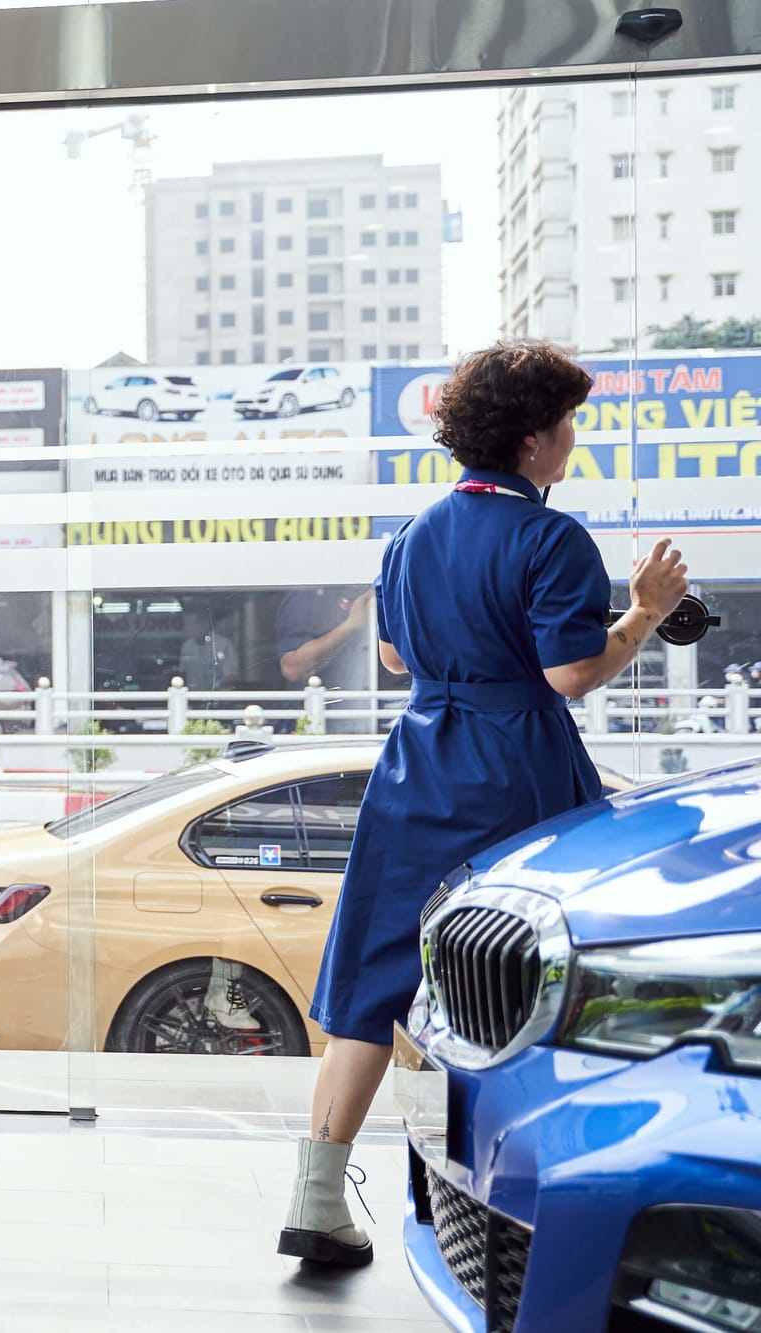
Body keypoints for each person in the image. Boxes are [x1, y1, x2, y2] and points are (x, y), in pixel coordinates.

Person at [278, 341, 689, 1268]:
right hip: (517, 767)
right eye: (568, 423)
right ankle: (520, 1203)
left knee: (373, 979)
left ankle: (316, 1197)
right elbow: (572, 672)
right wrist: (647, 610)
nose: (573, 439)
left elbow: (395, 658)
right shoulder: (551, 538)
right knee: (527, 975)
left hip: (419, 762)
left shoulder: (410, 535)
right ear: (533, 438)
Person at [276, 587, 376, 732]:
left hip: (382, 725)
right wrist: (351, 625)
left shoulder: (396, 589)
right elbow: (292, 668)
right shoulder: (309, 594)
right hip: (319, 729)